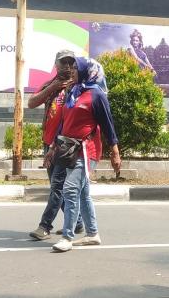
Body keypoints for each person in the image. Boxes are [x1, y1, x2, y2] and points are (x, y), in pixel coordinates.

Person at [51, 57, 121, 252]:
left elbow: (108, 126)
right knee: (83, 193)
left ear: (86, 71)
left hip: (86, 150)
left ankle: (67, 237)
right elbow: (63, 123)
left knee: (70, 189)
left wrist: (115, 152)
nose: (71, 70)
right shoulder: (73, 92)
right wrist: (52, 148)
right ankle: (92, 234)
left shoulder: (96, 95)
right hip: (68, 149)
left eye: (75, 68)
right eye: (71, 68)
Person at [28, 50, 84, 240]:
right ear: (56, 65)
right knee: (55, 185)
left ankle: (45, 226)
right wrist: (54, 87)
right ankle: (77, 223)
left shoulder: (79, 86)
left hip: (66, 144)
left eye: (71, 63)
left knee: (57, 186)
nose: (67, 67)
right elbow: (31, 103)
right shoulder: (49, 85)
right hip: (48, 143)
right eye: (63, 63)